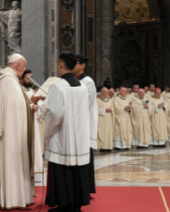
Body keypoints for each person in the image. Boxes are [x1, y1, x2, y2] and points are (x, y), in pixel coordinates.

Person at [0, 53, 36, 209]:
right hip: (11, 134)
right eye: (24, 65)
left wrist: (28, 107)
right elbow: (15, 108)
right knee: (14, 163)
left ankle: (16, 197)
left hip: (10, 131)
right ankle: (14, 199)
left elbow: (15, 106)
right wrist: (30, 108)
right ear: (18, 65)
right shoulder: (9, 81)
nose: (25, 69)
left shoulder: (6, 79)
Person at [44, 52, 90, 212]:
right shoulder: (82, 87)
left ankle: (64, 205)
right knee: (77, 170)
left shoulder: (58, 86)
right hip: (80, 137)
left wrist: (46, 132)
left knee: (63, 170)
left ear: (60, 64)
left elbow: (55, 114)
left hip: (63, 137)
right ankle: (76, 204)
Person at [73, 54, 98, 194]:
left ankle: (86, 187)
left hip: (84, 123)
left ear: (83, 65)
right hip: (76, 122)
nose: (73, 65)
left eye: (76, 63)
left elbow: (84, 102)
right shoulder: (72, 80)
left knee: (85, 156)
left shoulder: (88, 81)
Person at [19, 69, 44, 180]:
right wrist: (30, 104)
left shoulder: (32, 92)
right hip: (23, 124)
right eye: (28, 78)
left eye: (31, 78)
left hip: (33, 123)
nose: (30, 80)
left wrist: (37, 106)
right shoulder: (19, 91)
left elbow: (40, 109)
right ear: (21, 79)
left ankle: (34, 171)